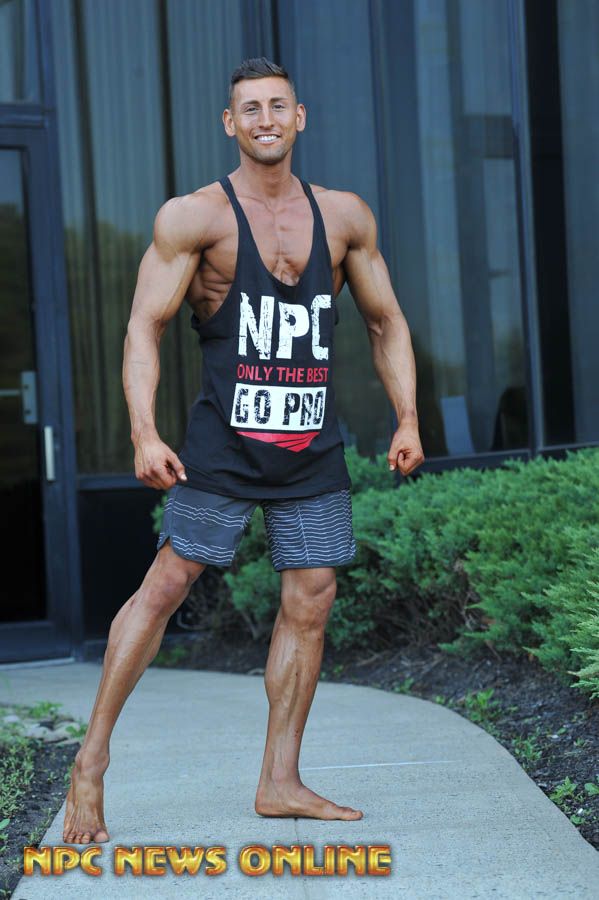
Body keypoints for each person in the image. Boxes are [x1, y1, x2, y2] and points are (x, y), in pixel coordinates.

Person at [62, 56, 424, 844]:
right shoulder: (194, 217)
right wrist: (143, 431)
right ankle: (91, 762)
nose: (265, 119)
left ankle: (279, 781)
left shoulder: (345, 216)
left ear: (300, 117)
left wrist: (407, 418)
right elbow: (144, 327)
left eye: (277, 106)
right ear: (230, 123)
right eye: (250, 109)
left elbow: (384, 320)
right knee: (166, 584)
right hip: (221, 443)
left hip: (310, 447)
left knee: (312, 597)